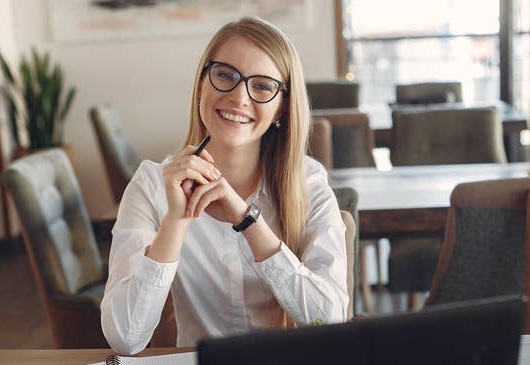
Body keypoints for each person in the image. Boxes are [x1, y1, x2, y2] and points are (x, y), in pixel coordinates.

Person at [100, 17, 348, 354]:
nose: (238, 97)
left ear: (281, 109)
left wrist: (248, 220)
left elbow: (329, 324)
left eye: (262, 86)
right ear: (202, 83)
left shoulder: (309, 183)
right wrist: (177, 219)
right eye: (225, 75)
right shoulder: (151, 185)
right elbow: (125, 339)